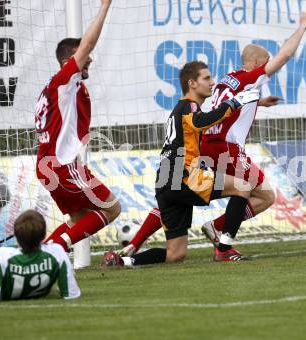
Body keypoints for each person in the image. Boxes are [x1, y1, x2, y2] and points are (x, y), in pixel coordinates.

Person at [117, 12, 306, 259]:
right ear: (253, 63)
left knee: (175, 194)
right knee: (264, 195)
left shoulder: (225, 82)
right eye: (265, 61)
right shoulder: (249, 77)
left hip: (205, 145)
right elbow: (285, 55)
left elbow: (224, 106)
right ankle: (220, 234)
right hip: (225, 147)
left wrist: (259, 103)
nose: (268, 64)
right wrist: (302, 27)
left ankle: (132, 247)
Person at [104, 60, 261, 266]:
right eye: (206, 78)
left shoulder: (182, 108)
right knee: (243, 186)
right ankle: (224, 249)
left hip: (166, 179)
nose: (212, 83)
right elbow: (201, 122)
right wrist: (233, 103)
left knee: (175, 254)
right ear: (192, 84)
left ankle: (123, 261)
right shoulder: (189, 105)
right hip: (184, 174)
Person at [35, 0, 120, 252]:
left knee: (78, 220)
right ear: (69, 61)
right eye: (83, 56)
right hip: (61, 167)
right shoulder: (64, 80)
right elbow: (88, 44)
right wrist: (105, 5)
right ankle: (56, 249)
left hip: (48, 166)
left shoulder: (57, 88)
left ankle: (43, 253)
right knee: (111, 207)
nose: (90, 58)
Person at [0, 210, 80, 304]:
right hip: (18, 285)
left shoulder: (1, 255)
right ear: (43, 236)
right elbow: (71, 294)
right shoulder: (57, 252)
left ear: (17, 237)